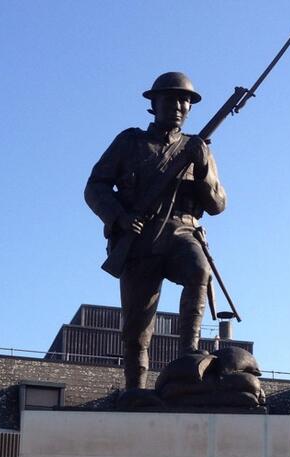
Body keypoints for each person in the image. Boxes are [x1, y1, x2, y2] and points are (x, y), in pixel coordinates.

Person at [84, 72, 227, 390]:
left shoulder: (197, 148)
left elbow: (217, 204)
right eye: (170, 98)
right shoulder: (130, 142)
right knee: (137, 324)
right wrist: (119, 217)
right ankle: (135, 388)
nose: (178, 105)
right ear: (154, 104)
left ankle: (188, 352)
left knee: (198, 271)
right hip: (139, 238)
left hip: (180, 232)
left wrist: (202, 168)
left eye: (184, 100)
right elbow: (95, 187)